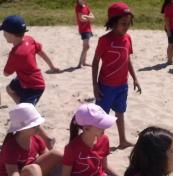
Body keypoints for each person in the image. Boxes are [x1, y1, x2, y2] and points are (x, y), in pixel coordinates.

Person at [0, 15, 58, 149]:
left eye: (4, 32)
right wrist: (52, 66)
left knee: (28, 118)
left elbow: (6, 73)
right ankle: (24, 107)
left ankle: (48, 139)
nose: (3, 35)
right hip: (24, 81)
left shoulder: (16, 53)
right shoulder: (29, 39)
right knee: (10, 89)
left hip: (33, 87)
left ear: (11, 35)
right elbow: (41, 51)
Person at [92, 2, 142, 150]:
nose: (126, 26)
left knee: (120, 113)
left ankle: (122, 140)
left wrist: (135, 78)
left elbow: (128, 60)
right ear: (113, 23)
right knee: (101, 116)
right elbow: (95, 63)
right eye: (122, 23)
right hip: (106, 86)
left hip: (122, 85)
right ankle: (96, 144)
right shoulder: (104, 40)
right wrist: (95, 85)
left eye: (128, 23)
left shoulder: (128, 38)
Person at [0, 103, 62, 176]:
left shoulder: (36, 139)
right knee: (33, 169)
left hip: (32, 172)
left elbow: (46, 157)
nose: (38, 127)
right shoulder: (11, 147)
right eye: (33, 126)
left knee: (57, 154)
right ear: (21, 129)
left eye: (38, 125)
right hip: (19, 173)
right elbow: (13, 173)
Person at [60, 104, 118, 176]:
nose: (104, 127)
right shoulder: (71, 149)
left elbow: (105, 167)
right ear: (86, 128)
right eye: (100, 124)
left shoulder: (104, 139)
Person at [75, 0, 95, 68]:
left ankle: (84, 62)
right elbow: (81, 19)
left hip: (88, 29)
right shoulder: (78, 7)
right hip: (83, 29)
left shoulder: (86, 7)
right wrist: (88, 17)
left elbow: (93, 18)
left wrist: (86, 16)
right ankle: (79, 64)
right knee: (86, 47)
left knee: (85, 47)